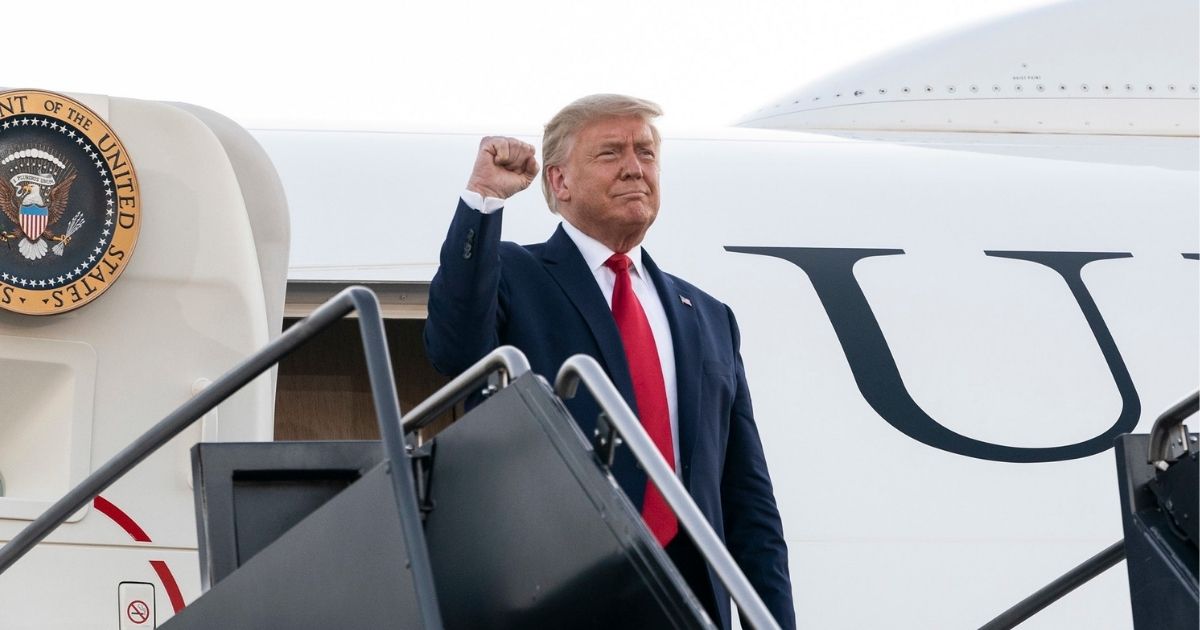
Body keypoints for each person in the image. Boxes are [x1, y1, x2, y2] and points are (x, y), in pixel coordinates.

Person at [424, 94, 794, 629]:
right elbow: (454, 351)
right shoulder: (513, 273)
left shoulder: (709, 317)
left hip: (690, 601)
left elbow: (748, 499)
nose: (634, 167)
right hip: (559, 593)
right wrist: (483, 201)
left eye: (645, 152)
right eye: (610, 153)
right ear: (560, 182)